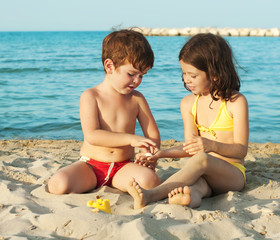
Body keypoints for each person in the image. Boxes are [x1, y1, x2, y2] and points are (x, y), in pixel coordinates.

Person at [128, 33, 249, 209]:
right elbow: (189, 148)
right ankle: (188, 198)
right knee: (194, 189)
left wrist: (212, 146)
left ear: (214, 74)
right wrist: (161, 153)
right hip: (203, 174)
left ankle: (151, 195)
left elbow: (241, 151)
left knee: (202, 159)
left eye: (192, 75)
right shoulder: (188, 103)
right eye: (184, 73)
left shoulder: (236, 102)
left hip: (231, 175)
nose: (186, 79)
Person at [48, 29, 161, 194]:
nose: (137, 81)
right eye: (131, 74)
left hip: (123, 166)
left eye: (142, 76)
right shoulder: (91, 96)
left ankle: (119, 183)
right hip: (92, 166)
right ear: (109, 66)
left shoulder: (137, 99)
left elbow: (152, 134)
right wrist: (131, 139)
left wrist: (150, 154)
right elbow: (92, 135)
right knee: (59, 184)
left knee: (150, 180)